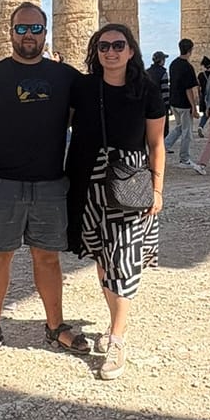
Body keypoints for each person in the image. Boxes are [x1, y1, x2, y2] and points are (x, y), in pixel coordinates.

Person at [0, 2, 89, 367]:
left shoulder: (66, 77)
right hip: (1, 183)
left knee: (47, 258)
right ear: (10, 32)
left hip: (50, 183)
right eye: (21, 29)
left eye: (35, 29)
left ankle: (55, 326)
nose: (28, 35)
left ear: (46, 34)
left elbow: (93, 115)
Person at [66, 23, 165, 380]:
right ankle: (113, 325)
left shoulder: (147, 91)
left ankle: (118, 338)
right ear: (96, 52)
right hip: (87, 181)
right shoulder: (82, 87)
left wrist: (158, 188)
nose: (111, 51)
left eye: (118, 45)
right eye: (103, 46)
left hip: (129, 181)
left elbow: (156, 143)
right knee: (102, 256)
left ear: (131, 50)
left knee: (124, 259)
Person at [164, 38, 199, 166]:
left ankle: (164, 146)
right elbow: (189, 89)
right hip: (184, 104)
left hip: (174, 102)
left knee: (179, 128)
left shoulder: (173, 64)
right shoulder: (188, 67)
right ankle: (184, 159)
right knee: (187, 132)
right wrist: (193, 107)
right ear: (190, 50)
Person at [146, 50, 171, 125]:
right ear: (161, 61)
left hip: (148, 104)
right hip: (160, 105)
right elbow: (165, 91)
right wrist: (167, 105)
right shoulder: (163, 73)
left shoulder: (146, 72)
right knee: (164, 128)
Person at [196, 56, 210, 136]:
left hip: (203, 96)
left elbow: (198, 87)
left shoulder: (200, 75)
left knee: (205, 114)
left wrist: (199, 96)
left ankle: (201, 126)